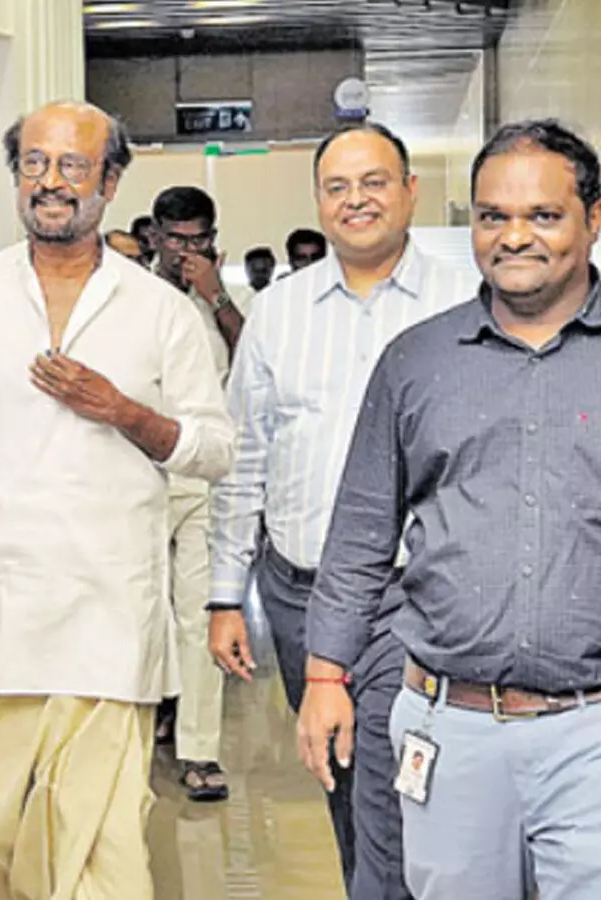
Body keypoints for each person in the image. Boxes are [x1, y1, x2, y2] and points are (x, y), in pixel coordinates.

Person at [298, 119, 601, 900]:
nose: (514, 236)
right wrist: (327, 674)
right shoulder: (415, 364)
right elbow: (361, 533)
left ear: (594, 218)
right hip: (445, 725)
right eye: (493, 216)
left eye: (544, 216)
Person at [0, 101, 234, 900]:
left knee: (101, 843)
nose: (52, 182)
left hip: (106, 612)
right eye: (35, 164)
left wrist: (126, 412)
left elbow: (214, 448)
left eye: (73, 166)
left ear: (110, 182)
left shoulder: (162, 314)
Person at [208, 122, 478, 900]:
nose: (356, 199)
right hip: (301, 593)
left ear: (410, 192)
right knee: (343, 769)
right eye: (337, 186)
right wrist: (228, 593)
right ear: (320, 202)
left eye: (374, 182)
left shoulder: (463, 305)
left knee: (397, 782)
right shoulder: (278, 314)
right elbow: (245, 457)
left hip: (417, 591)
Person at [148, 185, 243, 801]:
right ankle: (152, 712)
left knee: (199, 616)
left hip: (208, 480)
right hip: (144, 478)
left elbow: (255, 363)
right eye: (177, 240)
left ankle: (200, 751)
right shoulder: (130, 297)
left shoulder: (226, 302)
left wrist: (216, 295)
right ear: (155, 236)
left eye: (199, 239)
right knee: (144, 613)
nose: (188, 250)